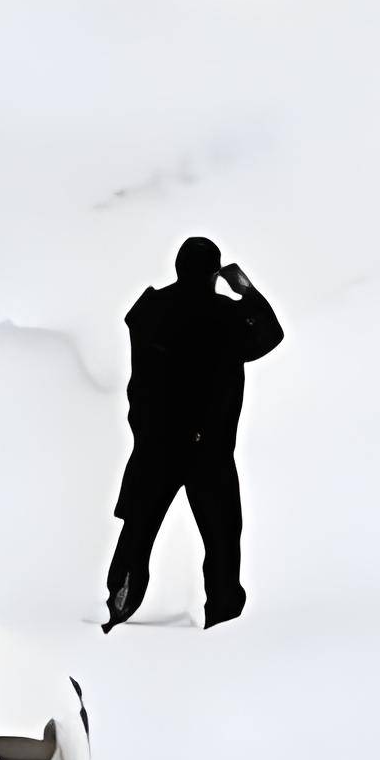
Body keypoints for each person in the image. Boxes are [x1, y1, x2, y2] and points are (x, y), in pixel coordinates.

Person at [106, 238, 284, 629]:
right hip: (210, 451)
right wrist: (247, 292)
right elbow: (271, 335)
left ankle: (118, 607)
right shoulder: (226, 317)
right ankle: (222, 624)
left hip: (157, 447)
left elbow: (135, 321)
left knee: (137, 534)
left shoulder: (151, 309)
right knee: (222, 544)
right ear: (213, 272)